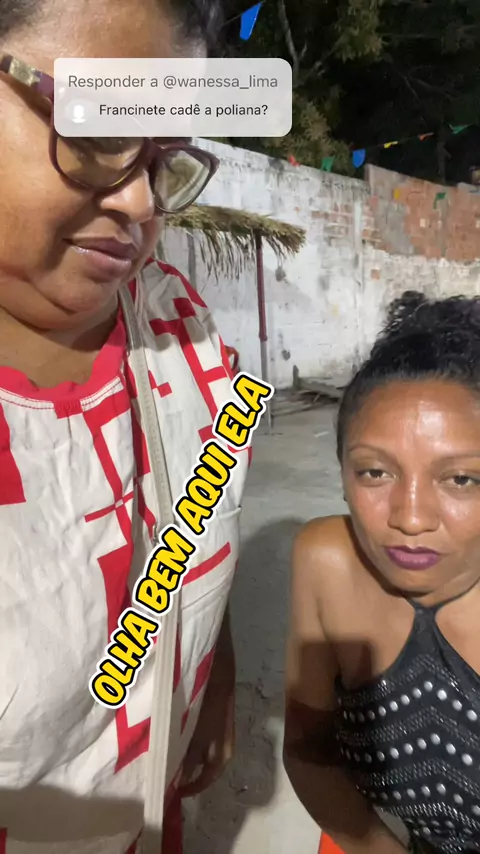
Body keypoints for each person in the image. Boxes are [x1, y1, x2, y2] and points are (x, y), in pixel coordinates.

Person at [0, 1, 249, 852]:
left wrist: (211, 666)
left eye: (163, 159)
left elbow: (197, 513)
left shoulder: (180, 324)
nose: (142, 201)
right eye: (100, 132)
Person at [284, 291, 480, 854]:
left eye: (461, 479)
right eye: (374, 472)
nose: (410, 519)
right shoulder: (329, 564)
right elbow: (309, 752)